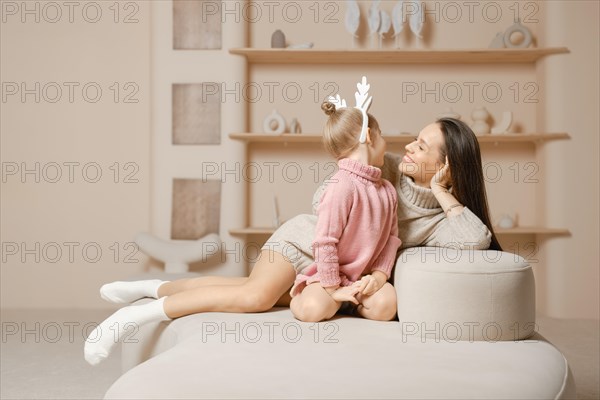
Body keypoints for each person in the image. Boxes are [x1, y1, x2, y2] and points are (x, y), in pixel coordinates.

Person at [84, 115, 501, 366]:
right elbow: (324, 203)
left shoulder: (444, 216)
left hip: (344, 269)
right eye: (414, 138)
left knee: (245, 290)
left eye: (422, 146)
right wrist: (355, 177)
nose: (408, 146)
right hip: (311, 243)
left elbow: (477, 240)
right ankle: (134, 317)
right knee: (254, 298)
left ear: (446, 164)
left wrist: (445, 194)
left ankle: (149, 288)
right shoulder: (383, 166)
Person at [288, 98, 402, 323]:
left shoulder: (387, 190)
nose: (386, 143)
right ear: (369, 136)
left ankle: (348, 305)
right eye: (382, 135)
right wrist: (333, 289)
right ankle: (303, 297)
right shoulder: (341, 185)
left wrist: (379, 277)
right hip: (329, 278)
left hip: (362, 280)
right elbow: (325, 242)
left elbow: (391, 239)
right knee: (312, 310)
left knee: (387, 307)